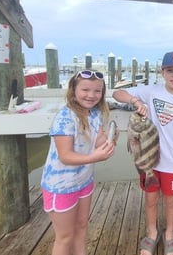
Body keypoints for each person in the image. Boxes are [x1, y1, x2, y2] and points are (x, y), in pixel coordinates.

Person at [112, 51, 173, 255]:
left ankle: (169, 234)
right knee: (150, 200)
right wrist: (136, 102)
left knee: (171, 201)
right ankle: (152, 232)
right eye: (170, 70)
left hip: (172, 161)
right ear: (162, 72)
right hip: (148, 159)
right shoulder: (151, 91)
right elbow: (117, 94)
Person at [41, 70, 116, 255]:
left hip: (84, 180)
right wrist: (94, 157)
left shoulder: (96, 112)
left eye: (97, 91)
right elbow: (65, 156)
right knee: (64, 237)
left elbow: (97, 141)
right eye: (85, 90)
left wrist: (110, 140)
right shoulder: (65, 117)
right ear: (73, 90)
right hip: (61, 185)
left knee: (82, 226)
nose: (91, 95)